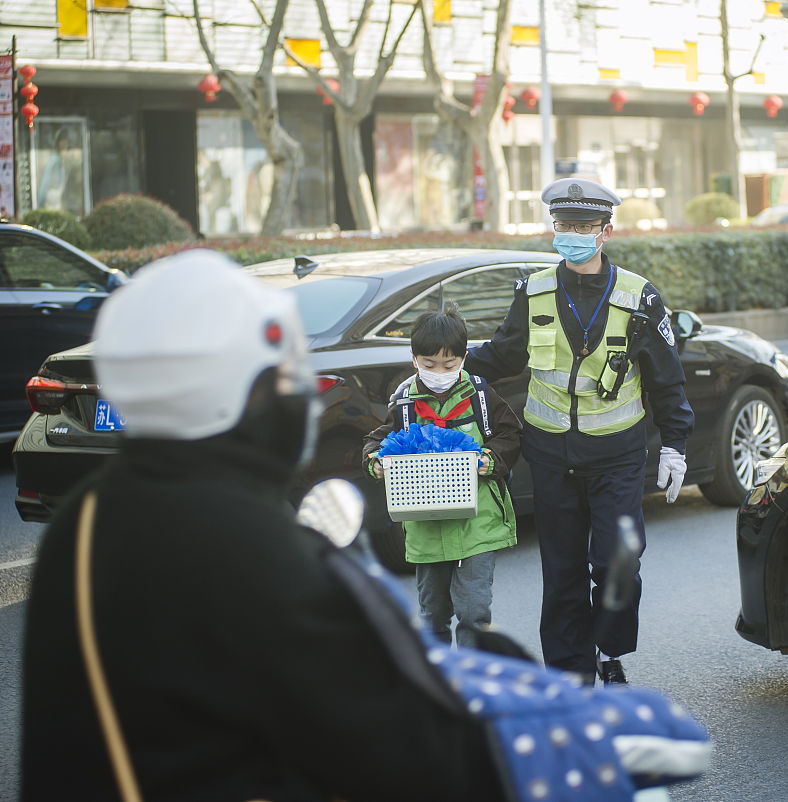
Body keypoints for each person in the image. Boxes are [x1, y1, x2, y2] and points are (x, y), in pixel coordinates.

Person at [20, 250, 507, 801]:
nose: (300, 396)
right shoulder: (254, 543)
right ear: (248, 397)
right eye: (287, 378)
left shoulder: (86, 518)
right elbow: (392, 746)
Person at [465, 178, 694, 686]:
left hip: (617, 455)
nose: (571, 234)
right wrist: (446, 363)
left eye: (583, 227)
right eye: (564, 226)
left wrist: (675, 446)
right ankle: (570, 676)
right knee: (562, 572)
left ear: (606, 231)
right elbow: (502, 355)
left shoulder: (640, 297)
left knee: (619, 561)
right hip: (550, 454)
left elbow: (667, 381)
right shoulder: (535, 290)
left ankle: (610, 650)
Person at [361, 309, 522, 649]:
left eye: (449, 365)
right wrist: (375, 462)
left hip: (478, 524)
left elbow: (510, 435)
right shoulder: (404, 404)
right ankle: (440, 684)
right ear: (414, 358)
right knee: (431, 615)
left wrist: (489, 460)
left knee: (474, 614)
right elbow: (376, 441)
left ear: (463, 358)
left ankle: (471, 686)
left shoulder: (480, 395)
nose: (439, 373)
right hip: (426, 526)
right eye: (429, 364)